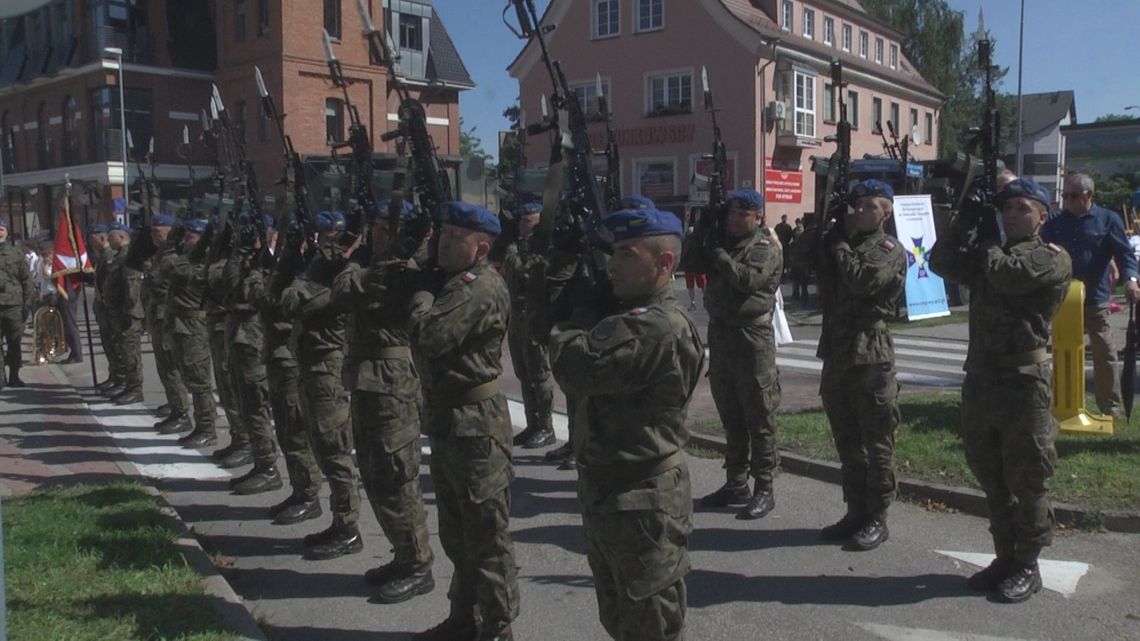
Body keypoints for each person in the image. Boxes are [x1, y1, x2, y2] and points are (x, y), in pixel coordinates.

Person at [549, 206, 704, 641]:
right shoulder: (626, 317)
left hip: (643, 499)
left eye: (627, 254)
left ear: (665, 263)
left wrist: (573, 320)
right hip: (613, 493)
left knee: (648, 625)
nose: (611, 265)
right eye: (611, 252)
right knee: (621, 619)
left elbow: (574, 366)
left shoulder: (658, 326)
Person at [929, 178, 1070, 603]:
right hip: (983, 380)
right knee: (990, 472)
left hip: (1024, 382)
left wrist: (988, 241)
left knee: (1026, 475)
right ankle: (1004, 556)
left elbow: (1010, 277)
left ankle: (1028, 564)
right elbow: (941, 261)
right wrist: (964, 220)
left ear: (1043, 216)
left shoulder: (1049, 257)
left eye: (1023, 209)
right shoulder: (994, 255)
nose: (1012, 216)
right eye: (1006, 209)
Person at [410, 202, 518, 641]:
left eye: (458, 238)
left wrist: (419, 295)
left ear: (482, 248)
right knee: (458, 533)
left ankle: (497, 628)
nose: (444, 243)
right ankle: (463, 619)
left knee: (487, 539)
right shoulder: (453, 283)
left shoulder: (479, 286)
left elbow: (430, 337)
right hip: (451, 419)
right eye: (443, 234)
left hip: (476, 426)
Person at [330, 200, 434, 600]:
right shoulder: (376, 263)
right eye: (375, 227)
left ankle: (418, 562)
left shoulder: (412, 268)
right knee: (375, 476)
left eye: (385, 228)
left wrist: (385, 262)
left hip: (392, 385)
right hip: (366, 382)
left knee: (397, 476)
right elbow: (342, 288)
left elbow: (352, 288)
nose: (376, 235)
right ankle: (403, 554)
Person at [815, 180, 907, 551]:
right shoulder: (844, 242)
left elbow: (862, 282)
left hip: (871, 353)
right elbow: (805, 260)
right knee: (847, 440)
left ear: (885, 213)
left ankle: (877, 517)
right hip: (838, 352)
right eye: (856, 206)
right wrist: (826, 228)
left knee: (877, 442)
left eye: (869, 206)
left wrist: (839, 245)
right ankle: (855, 510)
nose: (860, 212)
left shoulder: (888, 248)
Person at [692, 189, 784, 521]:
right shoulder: (725, 243)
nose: (733, 218)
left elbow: (747, 280)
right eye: (730, 213)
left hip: (752, 337)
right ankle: (735, 482)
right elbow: (691, 262)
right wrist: (701, 231)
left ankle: (764, 487)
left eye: (741, 213)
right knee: (730, 414)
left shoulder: (764, 247)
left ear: (757, 216)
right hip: (722, 335)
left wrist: (720, 257)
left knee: (758, 415)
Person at [280, 210, 362, 559]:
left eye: (334, 235)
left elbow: (297, 303)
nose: (327, 242)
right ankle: (336, 521)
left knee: (337, 453)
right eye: (323, 235)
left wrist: (309, 274)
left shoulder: (347, 272)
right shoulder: (319, 270)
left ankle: (349, 527)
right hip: (310, 367)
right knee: (319, 447)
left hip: (330, 371)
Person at [1041, 173, 1140, 418]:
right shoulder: (1054, 221)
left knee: (1104, 350)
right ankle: (1058, 403)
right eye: (1065, 196)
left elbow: (1124, 253)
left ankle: (1110, 404)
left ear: (1088, 195)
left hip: (1094, 297)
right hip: (1061, 297)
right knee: (1059, 350)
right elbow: (1040, 249)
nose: (1067, 201)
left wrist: (1131, 279)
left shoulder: (1108, 219)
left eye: (1073, 196)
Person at [222, 214, 283, 495]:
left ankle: (269, 467)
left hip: (255, 342)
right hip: (241, 340)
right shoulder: (251, 260)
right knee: (245, 404)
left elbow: (241, 292)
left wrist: (248, 257)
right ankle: (261, 462)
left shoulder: (274, 263)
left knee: (256, 406)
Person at [501, 201, 556, 450]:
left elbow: (518, 272)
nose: (521, 225)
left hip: (535, 317)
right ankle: (532, 424)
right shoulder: (523, 245)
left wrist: (511, 248)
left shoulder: (541, 247)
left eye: (527, 221)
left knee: (539, 374)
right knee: (523, 373)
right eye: (521, 220)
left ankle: (546, 426)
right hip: (518, 316)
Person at [162, 218, 219, 449]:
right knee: (190, 380)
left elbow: (172, 270)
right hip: (180, 326)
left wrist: (174, 243)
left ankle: (207, 428)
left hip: (194, 328)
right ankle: (201, 425)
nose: (186, 241)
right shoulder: (188, 261)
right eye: (185, 237)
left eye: (191, 237)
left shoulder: (200, 265)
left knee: (199, 382)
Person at [145, 214, 191, 433]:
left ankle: (182, 412)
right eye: (152, 231)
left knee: (171, 366)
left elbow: (169, 289)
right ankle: (175, 406)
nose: (154, 235)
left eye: (159, 231)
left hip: (167, 318)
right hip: (158, 316)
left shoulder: (172, 258)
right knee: (164, 366)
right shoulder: (161, 255)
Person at [104, 222, 145, 404]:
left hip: (127, 313)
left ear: (121, 237)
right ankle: (128, 385)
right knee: (122, 350)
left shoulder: (128, 256)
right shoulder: (119, 256)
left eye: (111, 236)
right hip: (118, 312)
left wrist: (129, 310)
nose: (108, 239)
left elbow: (132, 287)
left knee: (130, 352)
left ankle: (135, 388)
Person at [0, 220, 32, 388]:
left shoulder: (16, 253)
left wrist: (27, 303)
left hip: (13, 305)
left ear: (6, 232)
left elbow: (26, 279)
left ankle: (14, 375)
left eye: (1, 229)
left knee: (14, 342)